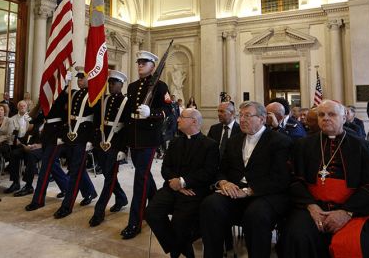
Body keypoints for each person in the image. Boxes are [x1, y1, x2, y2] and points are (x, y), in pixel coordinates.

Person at [280, 100, 369, 258]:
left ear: (344, 118)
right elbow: (294, 180)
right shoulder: (303, 145)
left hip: (352, 208)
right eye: (321, 115)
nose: (325, 118)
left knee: (355, 243)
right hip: (311, 206)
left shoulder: (362, 147)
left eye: (331, 114)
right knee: (296, 235)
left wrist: (346, 212)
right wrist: (311, 206)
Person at [200, 101, 292, 258]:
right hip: (235, 191)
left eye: (248, 116)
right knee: (210, 204)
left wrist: (250, 191)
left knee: (256, 214)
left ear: (262, 119)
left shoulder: (279, 141)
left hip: (265, 194)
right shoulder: (234, 140)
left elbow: (281, 178)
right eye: (240, 115)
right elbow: (222, 170)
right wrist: (223, 182)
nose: (242, 119)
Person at [146, 108, 219, 258]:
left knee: (180, 223)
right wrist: (176, 184)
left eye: (182, 117)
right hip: (173, 188)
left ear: (194, 121)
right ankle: (182, 247)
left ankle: (176, 250)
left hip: (194, 192)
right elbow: (165, 168)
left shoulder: (210, 145)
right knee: (151, 212)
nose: (178, 120)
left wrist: (183, 182)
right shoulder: (174, 142)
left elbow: (208, 173)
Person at [121, 50, 170, 239]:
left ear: (152, 66)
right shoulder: (132, 87)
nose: (140, 65)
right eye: (139, 62)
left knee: (140, 178)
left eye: (144, 63)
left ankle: (135, 221)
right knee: (143, 173)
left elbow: (168, 110)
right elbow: (127, 115)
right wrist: (124, 143)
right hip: (134, 136)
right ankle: (156, 205)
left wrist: (151, 113)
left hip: (149, 138)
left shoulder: (160, 86)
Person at [53, 68, 98, 219]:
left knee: (74, 172)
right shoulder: (74, 93)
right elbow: (61, 107)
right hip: (71, 135)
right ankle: (90, 191)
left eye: (82, 78)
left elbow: (96, 120)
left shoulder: (94, 96)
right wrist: (66, 84)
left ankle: (67, 205)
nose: (79, 81)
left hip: (84, 136)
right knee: (75, 167)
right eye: (78, 78)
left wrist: (92, 139)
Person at [88, 70, 130, 227]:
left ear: (121, 84)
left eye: (114, 83)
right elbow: (97, 123)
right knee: (108, 176)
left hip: (116, 145)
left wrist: (124, 149)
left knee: (109, 179)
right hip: (102, 143)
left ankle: (99, 212)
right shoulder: (104, 100)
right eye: (109, 83)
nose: (111, 85)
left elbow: (127, 128)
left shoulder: (126, 102)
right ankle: (121, 198)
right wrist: (93, 141)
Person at [4, 100, 32, 193]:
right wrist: (22, 145)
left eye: (24, 106)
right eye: (20, 106)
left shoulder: (31, 118)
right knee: (14, 154)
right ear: (17, 107)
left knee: (31, 156)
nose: (22, 107)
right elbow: (11, 135)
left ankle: (29, 184)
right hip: (18, 142)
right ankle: (15, 183)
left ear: (27, 107)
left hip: (30, 142)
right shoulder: (12, 119)